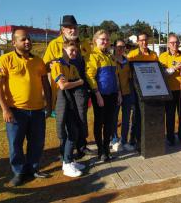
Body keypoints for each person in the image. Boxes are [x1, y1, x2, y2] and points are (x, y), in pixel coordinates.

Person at [0, 29, 52, 186]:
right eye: (23, 39)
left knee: (37, 142)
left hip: (38, 110)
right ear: (14, 42)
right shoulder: (4, 60)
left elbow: (46, 85)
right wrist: (5, 109)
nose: (27, 42)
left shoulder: (39, 61)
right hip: (15, 111)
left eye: (29, 39)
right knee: (15, 143)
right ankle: (19, 172)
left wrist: (49, 104)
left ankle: (33, 168)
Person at [43, 15, 94, 159]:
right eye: (69, 28)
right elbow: (44, 66)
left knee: (81, 117)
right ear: (63, 29)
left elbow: (90, 64)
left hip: (81, 87)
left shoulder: (84, 43)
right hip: (62, 89)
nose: (73, 30)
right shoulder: (54, 44)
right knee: (63, 119)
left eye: (75, 27)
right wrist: (53, 64)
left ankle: (81, 146)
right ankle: (64, 151)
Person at [51, 40, 86, 177]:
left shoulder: (72, 67)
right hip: (62, 104)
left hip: (72, 104)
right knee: (69, 133)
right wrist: (79, 82)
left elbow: (71, 83)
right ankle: (66, 163)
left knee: (74, 131)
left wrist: (75, 82)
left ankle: (69, 160)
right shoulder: (57, 65)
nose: (74, 53)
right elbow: (62, 85)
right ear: (63, 49)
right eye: (71, 50)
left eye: (76, 51)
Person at [86, 30, 122, 161]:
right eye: (102, 39)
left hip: (112, 94)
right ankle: (100, 150)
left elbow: (116, 76)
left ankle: (106, 149)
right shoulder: (93, 56)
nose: (105, 42)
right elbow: (90, 76)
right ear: (95, 40)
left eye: (107, 39)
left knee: (109, 123)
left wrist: (119, 92)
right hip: (100, 96)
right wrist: (97, 94)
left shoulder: (110, 57)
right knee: (99, 123)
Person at [126, 33, 158, 149]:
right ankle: (133, 139)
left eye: (146, 40)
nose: (144, 42)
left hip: (150, 89)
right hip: (136, 89)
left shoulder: (153, 55)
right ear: (138, 42)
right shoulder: (132, 55)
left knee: (149, 113)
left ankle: (147, 137)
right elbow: (127, 73)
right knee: (137, 114)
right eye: (141, 40)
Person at [159, 34, 181, 146]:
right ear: (168, 44)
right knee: (170, 115)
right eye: (172, 43)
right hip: (169, 90)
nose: (175, 44)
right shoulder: (162, 56)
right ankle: (170, 138)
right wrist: (174, 69)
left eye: (176, 42)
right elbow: (162, 73)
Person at [111, 40, 135, 152]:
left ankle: (124, 141)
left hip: (127, 94)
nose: (121, 49)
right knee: (114, 118)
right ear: (114, 47)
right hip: (115, 94)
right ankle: (115, 140)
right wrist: (118, 93)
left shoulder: (127, 61)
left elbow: (130, 78)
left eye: (123, 47)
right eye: (118, 46)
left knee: (126, 118)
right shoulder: (110, 60)